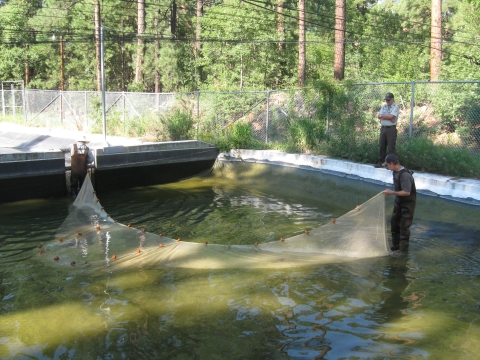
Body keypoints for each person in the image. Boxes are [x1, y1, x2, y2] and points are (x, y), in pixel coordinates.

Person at [383, 154, 416, 252]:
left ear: (392, 164)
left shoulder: (405, 175)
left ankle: (403, 252)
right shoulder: (395, 172)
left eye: (388, 165)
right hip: (399, 202)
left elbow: (407, 192)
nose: (387, 167)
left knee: (404, 228)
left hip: (407, 205)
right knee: (394, 224)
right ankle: (395, 246)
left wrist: (391, 193)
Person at [375, 92, 400, 168]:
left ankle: (391, 164)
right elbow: (379, 116)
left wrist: (384, 116)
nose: (387, 101)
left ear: (392, 99)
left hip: (391, 129)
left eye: (389, 100)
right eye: (386, 100)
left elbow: (392, 116)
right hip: (383, 128)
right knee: (382, 145)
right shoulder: (384, 107)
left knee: (391, 147)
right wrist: (387, 117)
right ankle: (381, 162)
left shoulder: (395, 107)